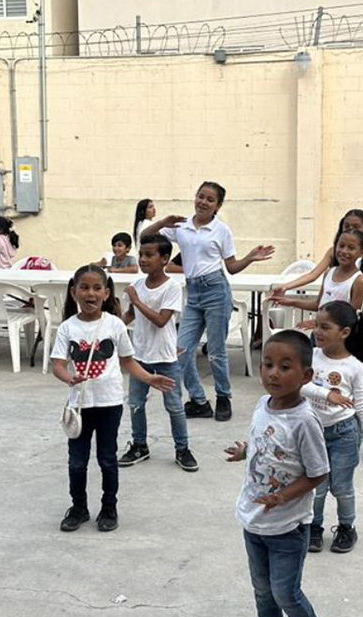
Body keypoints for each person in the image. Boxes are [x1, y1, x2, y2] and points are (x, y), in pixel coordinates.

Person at [225, 330, 328, 617]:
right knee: (263, 588)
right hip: (253, 521)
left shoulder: (305, 421)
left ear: (306, 376)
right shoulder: (261, 406)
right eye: (268, 364)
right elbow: (263, 445)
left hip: (288, 526)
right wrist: (245, 452)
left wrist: (284, 496)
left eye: (285, 367)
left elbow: (318, 473)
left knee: (286, 591)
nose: (273, 373)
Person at [51, 264, 175, 533]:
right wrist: (68, 378)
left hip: (109, 404)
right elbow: (58, 364)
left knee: (107, 459)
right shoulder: (67, 328)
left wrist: (149, 378)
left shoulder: (115, 324)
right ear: (74, 292)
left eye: (97, 288)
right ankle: (79, 507)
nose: (90, 293)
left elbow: (128, 361)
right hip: (79, 407)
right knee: (77, 462)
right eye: (84, 287)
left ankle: (109, 507)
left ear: (107, 293)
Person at [141, 181, 275, 422]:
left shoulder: (221, 230)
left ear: (218, 205)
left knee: (215, 351)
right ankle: (199, 400)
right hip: (193, 294)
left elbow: (231, 267)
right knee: (180, 349)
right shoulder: (181, 226)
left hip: (215, 290)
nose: (203, 202)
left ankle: (224, 397)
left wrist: (251, 257)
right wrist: (163, 222)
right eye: (200, 196)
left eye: (210, 199)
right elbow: (145, 237)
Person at [301, 301, 363, 554]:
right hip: (313, 432)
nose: (317, 331)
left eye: (325, 327)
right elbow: (298, 384)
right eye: (316, 325)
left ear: (345, 332)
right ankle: (313, 527)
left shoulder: (354, 367)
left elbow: (362, 403)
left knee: (341, 487)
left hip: (345, 433)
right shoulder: (310, 356)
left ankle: (346, 527)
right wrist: (326, 395)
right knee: (316, 488)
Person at [118, 233, 197, 472]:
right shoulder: (137, 286)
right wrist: (113, 327)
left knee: (174, 406)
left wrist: (136, 300)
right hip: (139, 356)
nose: (142, 259)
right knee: (136, 404)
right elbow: (130, 315)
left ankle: (182, 449)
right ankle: (140, 445)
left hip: (165, 358)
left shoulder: (172, 287)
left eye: (149, 255)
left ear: (164, 259)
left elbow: (161, 320)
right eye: (141, 254)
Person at [272, 209, 363, 312]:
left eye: (356, 227)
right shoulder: (333, 254)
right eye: (347, 226)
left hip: (355, 310)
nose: (351, 230)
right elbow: (313, 275)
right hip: (329, 313)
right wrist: (287, 286)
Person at [270, 227, 363, 330]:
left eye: (351, 248)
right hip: (320, 333)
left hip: (340, 341)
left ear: (362, 252)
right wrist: (291, 302)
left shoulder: (359, 280)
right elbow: (318, 304)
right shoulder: (329, 273)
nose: (344, 251)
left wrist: (322, 324)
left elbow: (352, 317)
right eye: (341, 246)